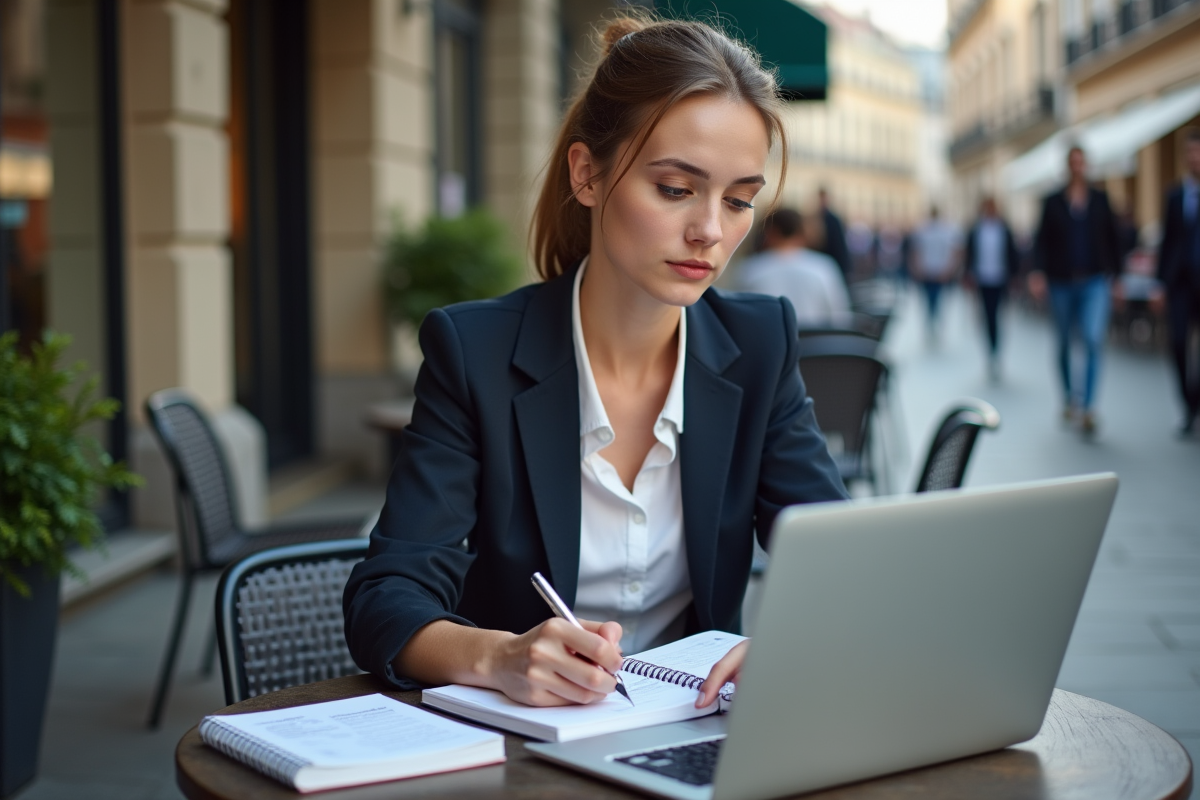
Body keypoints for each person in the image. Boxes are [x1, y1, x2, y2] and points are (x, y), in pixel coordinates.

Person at [342, 15, 848, 712]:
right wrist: (500, 657)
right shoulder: (476, 353)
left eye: (739, 201)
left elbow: (835, 560)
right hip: (524, 749)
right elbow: (385, 595)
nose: (710, 230)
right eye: (675, 188)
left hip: (695, 743)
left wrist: (791, 643)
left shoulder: (759, 346)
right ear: (587, 174)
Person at [1029, 145, 1120, 435]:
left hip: (1094, 281)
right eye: (1073, 162)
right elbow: (1040, 241)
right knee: (1065, 343)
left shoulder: (1100, 199)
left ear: (1087, 165)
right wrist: (1037, 274)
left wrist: (1116, 277)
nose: (1078, 167)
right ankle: (1070, 398)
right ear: (1067, 166)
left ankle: (1089, 407)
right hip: (1061, 282)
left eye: (1082, 162)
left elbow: (1113, 239)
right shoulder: (1052, 201)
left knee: (1093, 339)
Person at [1154, 128, 1200, 434]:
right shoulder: (1174, 195)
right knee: (1178, 343)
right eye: (1190, 152)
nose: (1193, 158)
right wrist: (1159, 284)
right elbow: (1167, 241)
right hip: (1180, 283)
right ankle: (1188, 404)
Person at [736, 208, 852, 328]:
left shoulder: (749, 269)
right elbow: (840, 317)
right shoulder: (824, 266)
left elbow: (739, 318)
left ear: (771, 232)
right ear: (802, 231)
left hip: (768, 344)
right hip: (817, 344)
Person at [963, 196, 1020, 380]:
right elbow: (969, 254)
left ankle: (996, 351)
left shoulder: (1004, 228)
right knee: (987, 317)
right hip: (983, 280)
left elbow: (1012, 253)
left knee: (998, 317)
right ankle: (991, 352)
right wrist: (967, 275)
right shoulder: (976, 229)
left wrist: (1015, 277)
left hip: (1000, 279)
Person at [910, 205, 961, 339]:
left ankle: (934, 324)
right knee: (930, 300)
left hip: (937, 271)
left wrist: (948, 270)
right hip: (929, 270)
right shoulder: (925, 229)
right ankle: (931, 325)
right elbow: (917, 251)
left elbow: (952, 252)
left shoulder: (942, 230)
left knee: (935, 300)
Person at [815, 187, 852, 281]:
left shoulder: (833, 219)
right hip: (823, 262)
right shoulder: (816, 217)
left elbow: (839, 245)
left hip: (832, 262)